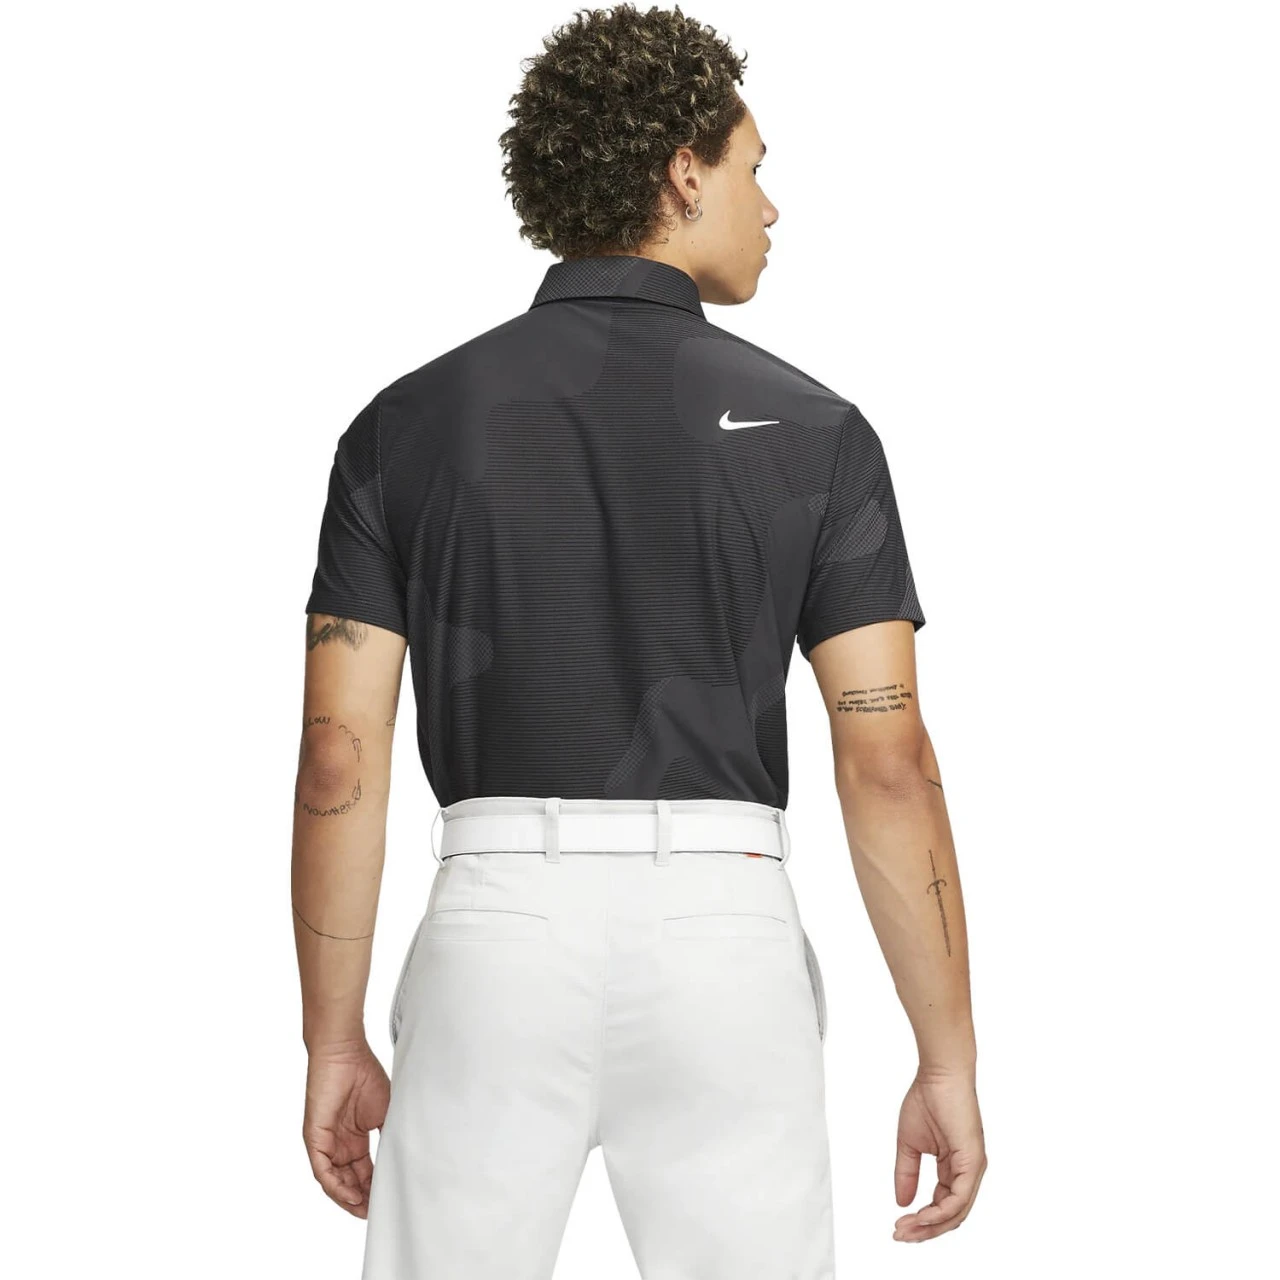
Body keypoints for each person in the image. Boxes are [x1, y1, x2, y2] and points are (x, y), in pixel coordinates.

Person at [292, 4, 985, 1276]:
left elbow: (339, 753)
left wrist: (332, 1039)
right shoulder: (818, 433)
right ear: (681, 172)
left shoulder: (402, 424)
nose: (769, 205)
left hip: (494, 932)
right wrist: (944, 1056)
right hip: (723, 928)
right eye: (751, 166)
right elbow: (887, 762)